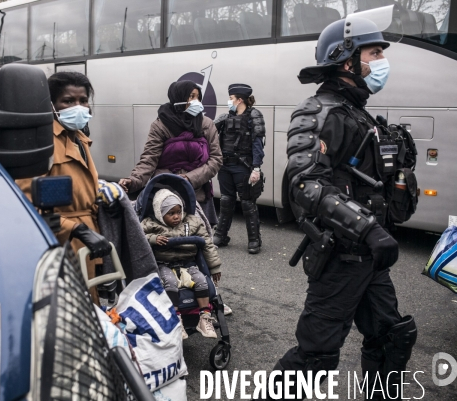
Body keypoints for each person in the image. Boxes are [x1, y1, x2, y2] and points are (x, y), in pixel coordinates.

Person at [263, 14, 418, 400]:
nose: (382, 60)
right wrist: (368, 229)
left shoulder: (359, 114)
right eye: (375, 52)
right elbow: (305, 184)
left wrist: (400, 167)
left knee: (391, 337)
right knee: (314, 359)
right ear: (347, 59)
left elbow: (377, 189)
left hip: (369, 255)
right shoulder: (318, 111)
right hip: (340, 256)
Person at [16, 71, 112, 305]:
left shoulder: (79, 137)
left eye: (83, 100)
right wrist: (77, 229)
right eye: (68, 101)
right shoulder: (42, 142)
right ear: (51, 104)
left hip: (90, 242)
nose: (77, 107)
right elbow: (27, 206)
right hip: (61, 245)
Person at [118, 80, 222, 225]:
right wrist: (133, 180)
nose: (196, 101)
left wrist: (189, 178)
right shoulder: (160, 125)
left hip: (196, 193)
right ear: (178, 98)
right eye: (191, 96)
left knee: (198, 239)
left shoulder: (206, 124)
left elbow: (216, 159)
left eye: (198, 97)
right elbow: (149, 159)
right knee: (167, 242)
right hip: (166, 194)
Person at [141, 189, 221, 339]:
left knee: (202, 281)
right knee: (170, 282)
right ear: (159, 213)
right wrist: (152, 238)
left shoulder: (192, 222)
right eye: (171, 213)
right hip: (163, 264)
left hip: (187, 263)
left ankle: (204, 317)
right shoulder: (150, 224)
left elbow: (208, 244)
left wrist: (214, 267)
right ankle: (175, 320)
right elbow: (137, 237)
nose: (177, 216)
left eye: (179, 211)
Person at [213, 84, 266, 254]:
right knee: (226, 201)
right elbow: (209, 134)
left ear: (239, 99)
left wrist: (256, 168)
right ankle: (220, 236)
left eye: (231, 98)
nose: (229, 101)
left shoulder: (254, 116)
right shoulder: (225, 117)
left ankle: (254, 240)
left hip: (243, 166)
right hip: (225, 166)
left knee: (247, 203)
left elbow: (258, 144)